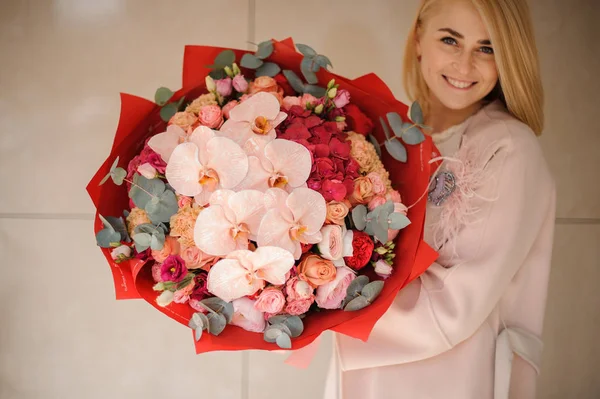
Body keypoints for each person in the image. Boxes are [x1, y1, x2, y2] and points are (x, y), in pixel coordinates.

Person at [323, 0, 556, 398]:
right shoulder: (390, 140)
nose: (465, 66)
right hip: (363, 374)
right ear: (418, 40)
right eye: (451, 40)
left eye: (487, 48)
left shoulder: (508, 148)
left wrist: (321, 295)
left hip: (452, 379)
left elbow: (455, 306)